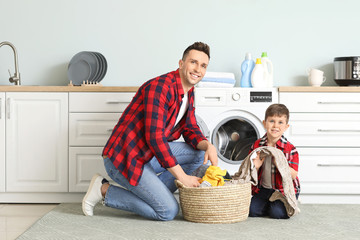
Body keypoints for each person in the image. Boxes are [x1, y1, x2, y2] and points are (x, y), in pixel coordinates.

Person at [82, 42, 218, 221]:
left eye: (203, 65)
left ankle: (151, 194)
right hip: (125, 159)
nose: (197, 69)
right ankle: (104, 190)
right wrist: (183, 177)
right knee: (168, 211)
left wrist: (208, 145)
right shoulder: (160, 87)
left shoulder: (189, 92)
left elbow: (190, 128)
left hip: (149, 156)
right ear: (181, 63)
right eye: (193, 62)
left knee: (200, 155)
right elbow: (155, 138)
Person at [249, 103, 300, 219]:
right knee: (251, 211)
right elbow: (248, 170)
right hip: (264, 189)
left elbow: (293, 175)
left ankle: (283, 204)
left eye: (280, 122)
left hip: (283, 190)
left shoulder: (290, 149)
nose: (275, 126)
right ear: (264, 123)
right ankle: (270, 204)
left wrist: (280, 165)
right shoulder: (257, 145)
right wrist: (255, 167)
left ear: (286, 127)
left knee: (277, 214)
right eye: (272, 121)